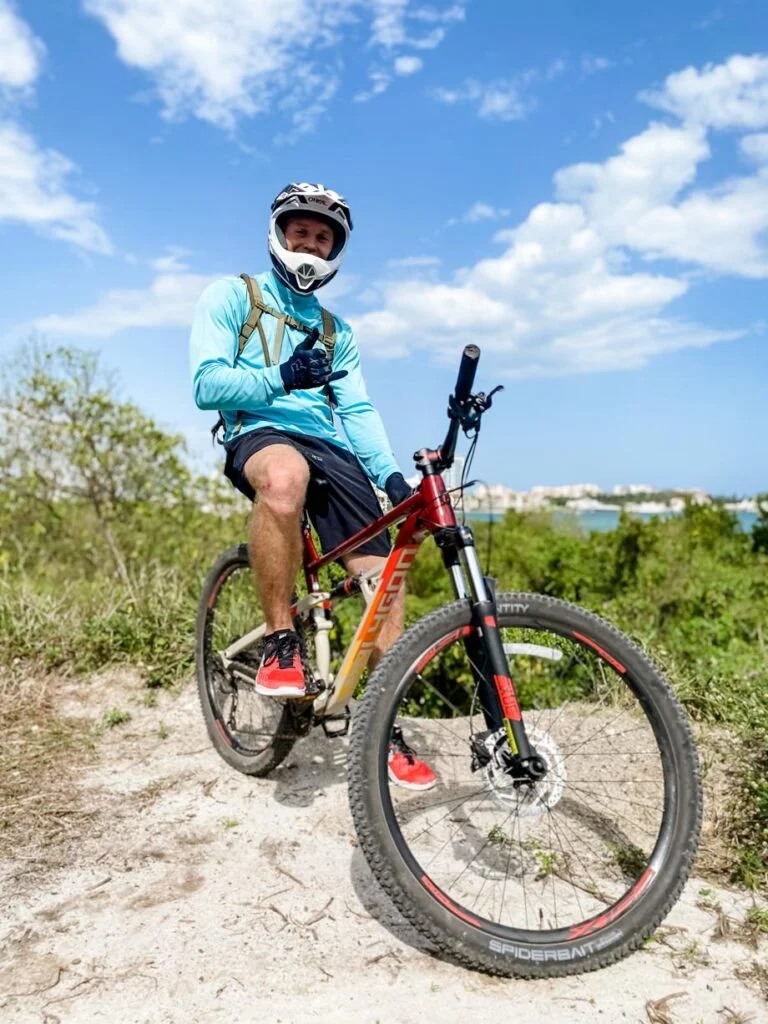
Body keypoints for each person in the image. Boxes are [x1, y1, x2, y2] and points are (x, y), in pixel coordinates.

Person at [189, 182, 435, 790]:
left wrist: (391, 478)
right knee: (285, 476)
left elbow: (357, 412)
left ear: (336, 250)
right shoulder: (232, 296)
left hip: (332, 446)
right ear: (278, 232)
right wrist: (280, 376)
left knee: (387, 577)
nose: (310, 242)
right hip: (259, 429)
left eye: (323, 236)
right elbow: (206, 384)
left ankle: (382, 723)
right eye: (301, 230)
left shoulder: (336, 332)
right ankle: (279, 641)